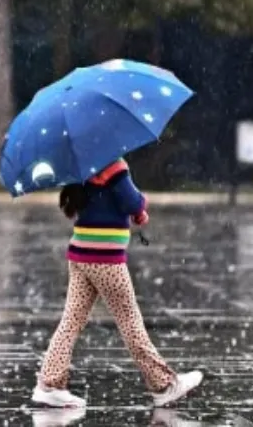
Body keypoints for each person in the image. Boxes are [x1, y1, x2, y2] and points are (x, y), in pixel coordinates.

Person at [32, 159, 204, 409]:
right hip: (105, 258)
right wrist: (140, 208)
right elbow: (131, 201)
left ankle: (49, 385)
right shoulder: (112, 164)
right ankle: (163, 385)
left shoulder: (82, 166)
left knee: (71, 320)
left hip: (81, 251)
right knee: (130, 320)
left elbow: (102, 202)